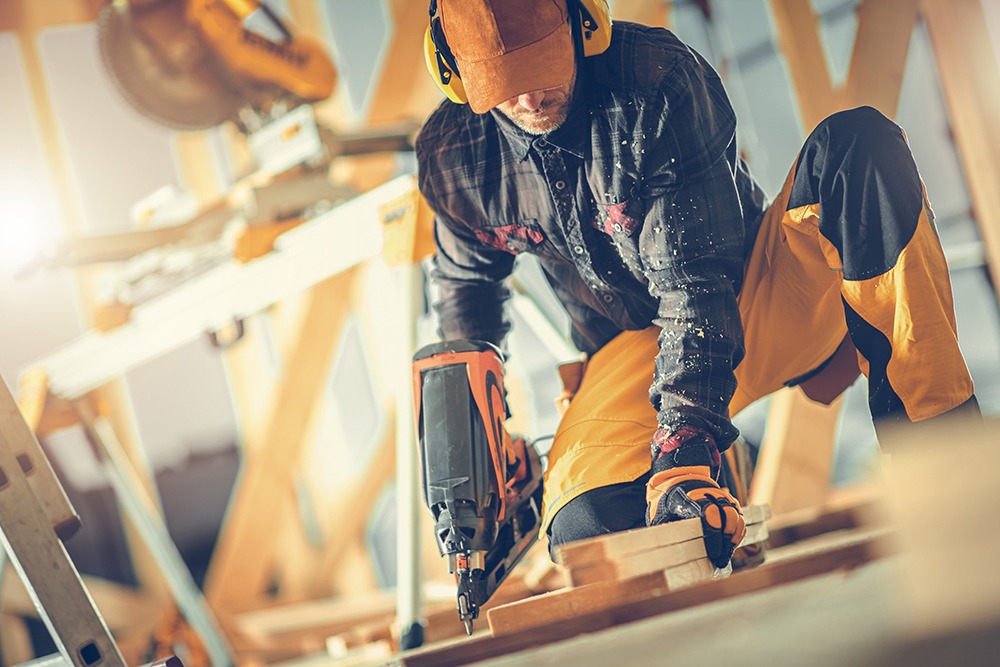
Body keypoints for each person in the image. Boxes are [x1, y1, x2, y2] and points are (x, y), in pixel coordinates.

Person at [414, 0, 980, 570]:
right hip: (630, 352)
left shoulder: (658, 80)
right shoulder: (454, 157)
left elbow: (694, 284)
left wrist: (684, 448)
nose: (530, 99)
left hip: (755, 293)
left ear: (584, 19)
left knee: (861, 146)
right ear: (455, 74)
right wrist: (480, 452)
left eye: (540, 68)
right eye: (504, 88)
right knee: (591, 537)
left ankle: (943, 468)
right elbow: (465, 294)